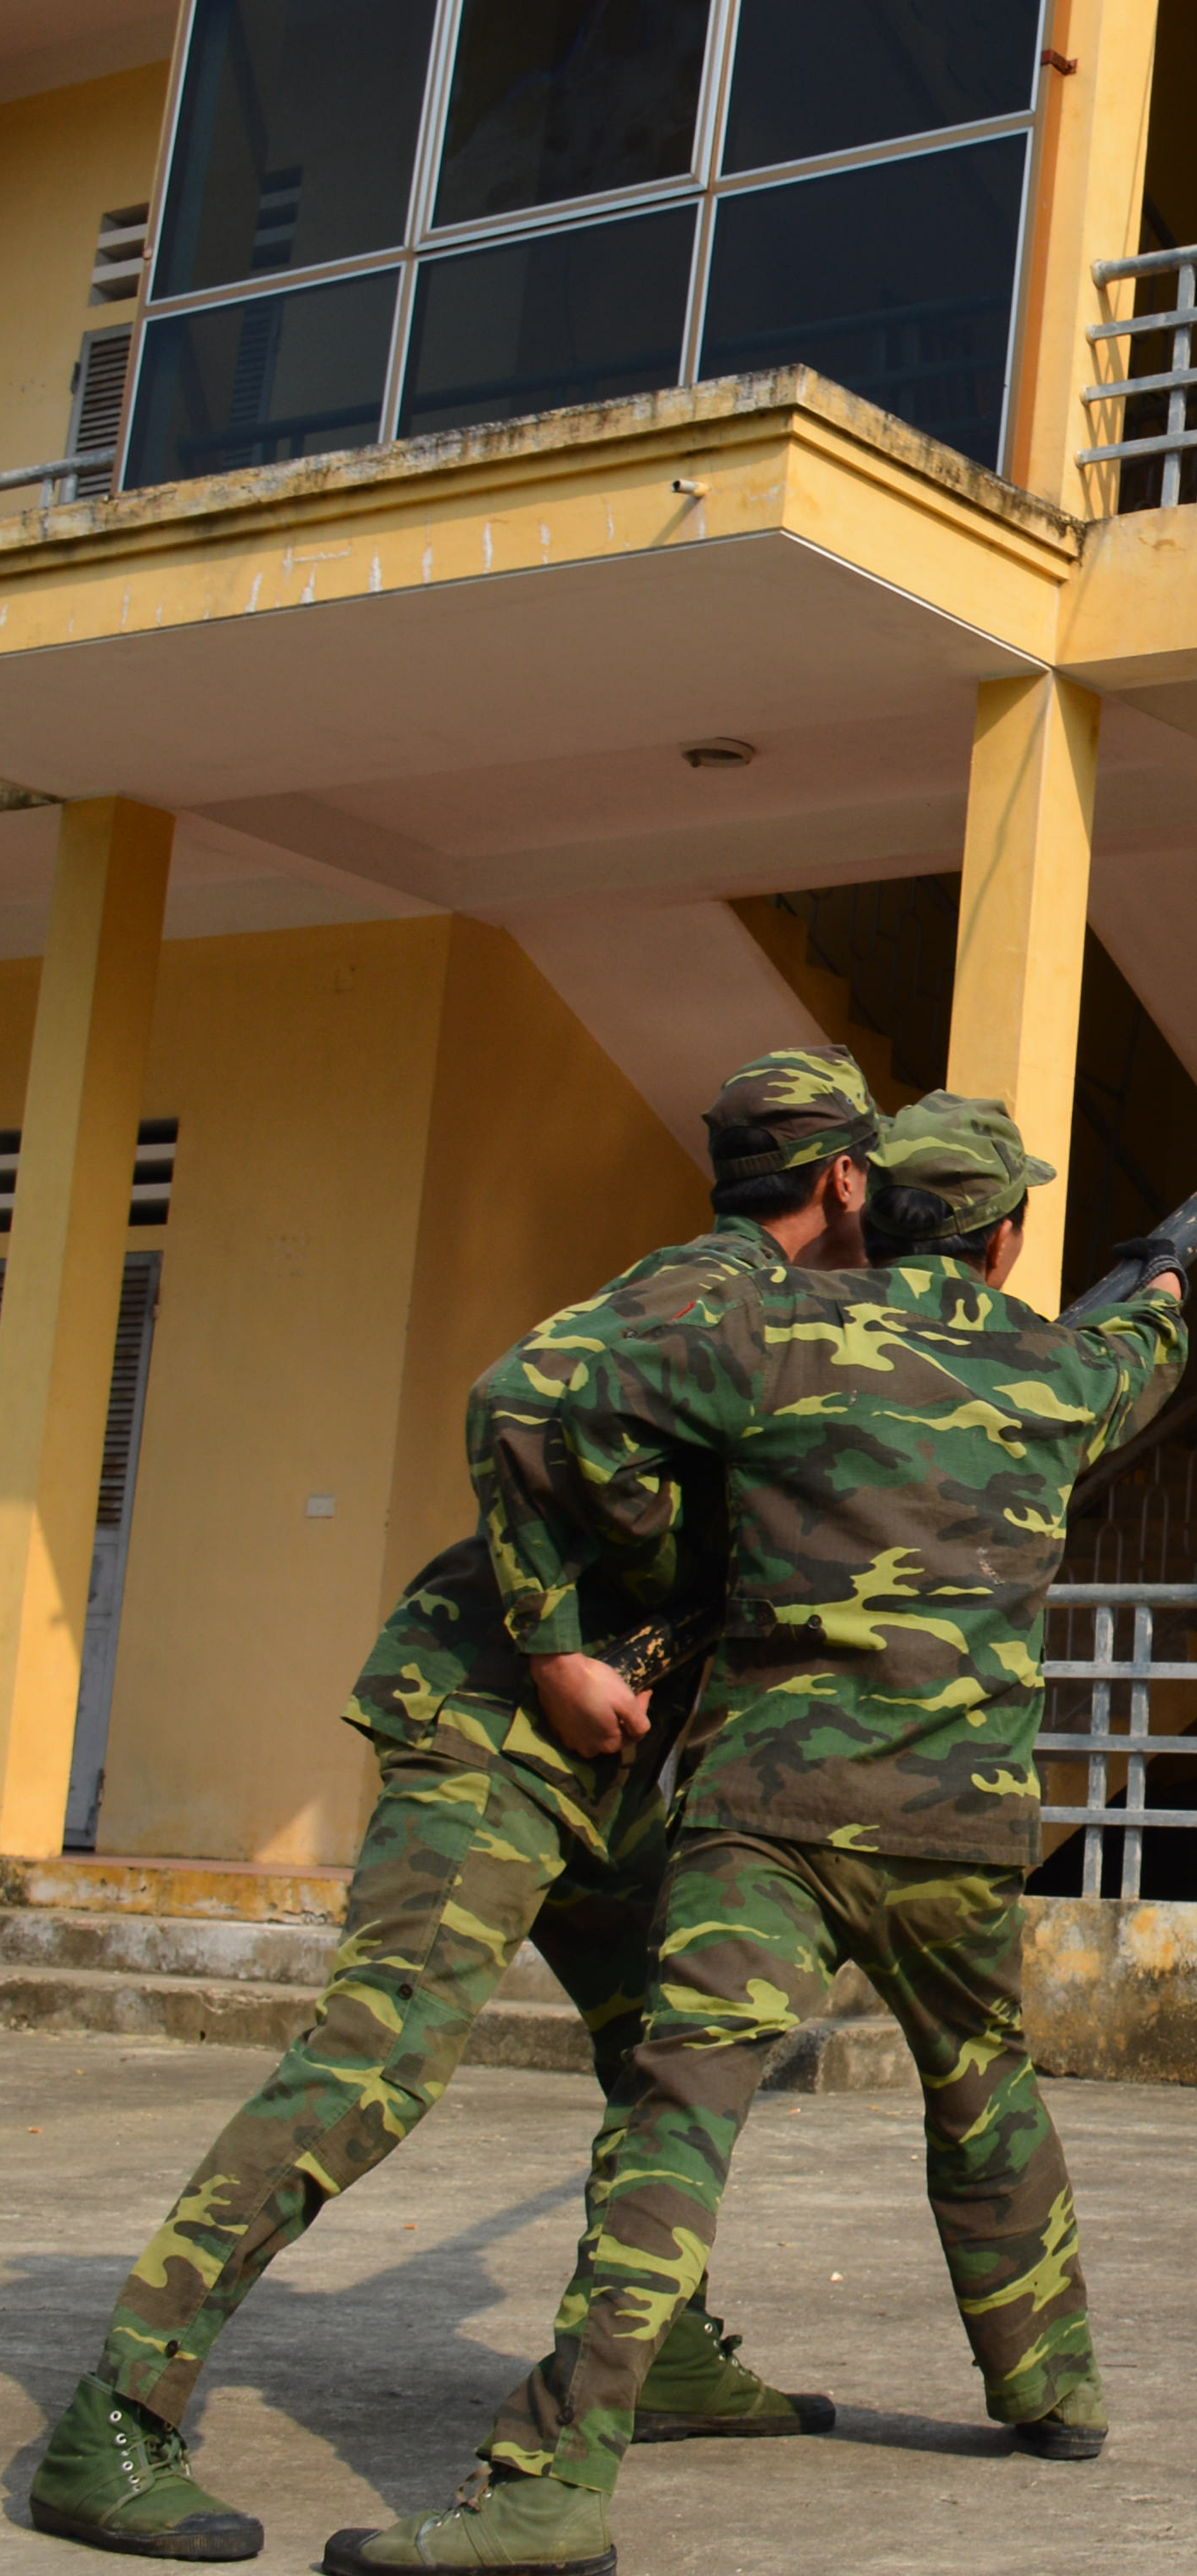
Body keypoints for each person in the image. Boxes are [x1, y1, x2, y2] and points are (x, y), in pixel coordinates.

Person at [23, 1048, 884, 2564]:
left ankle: (661, 2345)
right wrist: (553, 1647)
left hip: (608, 1764)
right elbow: (515, 1397)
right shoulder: (717, 1290)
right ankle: (113, 2419)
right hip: (496, 1720)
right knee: (379, 2055)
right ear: (844, 1176)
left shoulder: (799, 1328)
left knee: (672, 2048)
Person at [323, 1096, 1189, 2576]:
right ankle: (1053, 2383)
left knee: (675, 2117)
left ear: (878, 1208)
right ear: (1007, 1234)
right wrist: (1161, 1275)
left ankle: (552, 2484)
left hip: (767, 1813)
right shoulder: (1062, 1364)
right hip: (956, 1818)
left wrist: (549, 1632)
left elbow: (532, 1401)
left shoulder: (778, 1337)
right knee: (984, 2084)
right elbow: (1152, 1349)